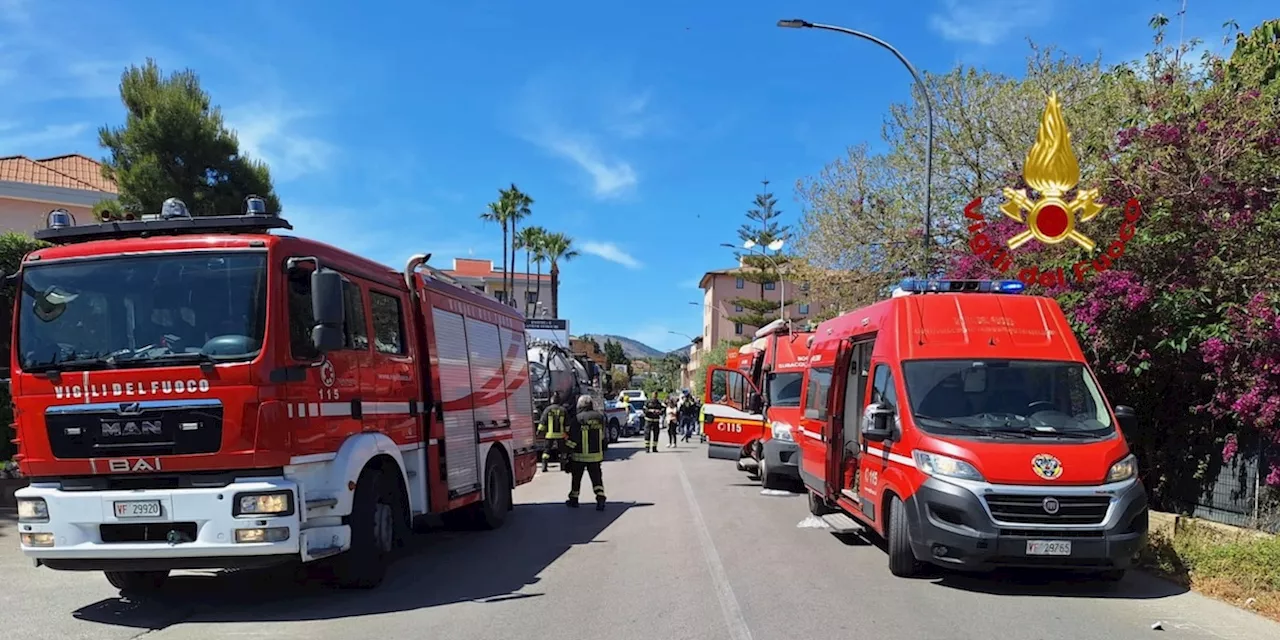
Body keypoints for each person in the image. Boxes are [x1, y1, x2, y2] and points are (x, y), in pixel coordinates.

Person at [565, 395, 607, 511]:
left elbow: (573, 439)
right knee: (597, 479)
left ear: (581, 405)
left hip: (579, 456)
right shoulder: (600, 417)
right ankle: (600, 498)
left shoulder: (578, 419)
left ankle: (574, 499)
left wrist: (566, 452)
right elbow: (603, 436)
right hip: (596, 456)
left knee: (576, 479)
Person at [537, 392, 569, 472]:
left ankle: (544, 467)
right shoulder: (563, 410)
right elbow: (567, 424)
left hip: (549, 435)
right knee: (562, 451)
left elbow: (542, 422)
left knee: (546, 451)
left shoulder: (547, 410)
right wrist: (568, 433)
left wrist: (539, 431)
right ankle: (563, 467)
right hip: (561, 435)